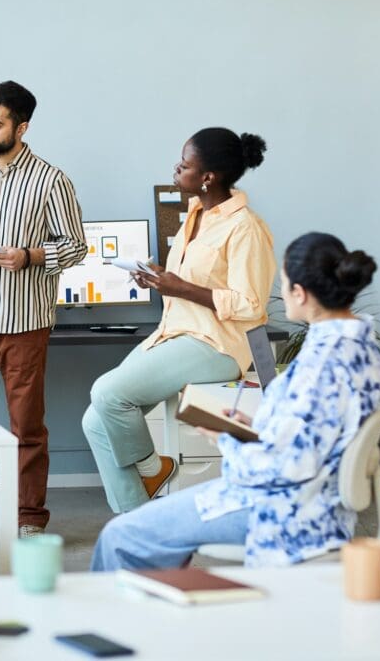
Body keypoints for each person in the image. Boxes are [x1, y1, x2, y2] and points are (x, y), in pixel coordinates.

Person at [91, 233, 380, 569]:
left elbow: (286, 468)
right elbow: (314, 440)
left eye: (283, 280)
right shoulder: (365, 353)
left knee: (120, 536)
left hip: (280, 511)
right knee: (152, 534)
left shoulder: (320, 367)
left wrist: (228, 440)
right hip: (322, 509)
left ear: (300, 293)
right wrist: (255, 429)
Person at [82, 128, 275, 513]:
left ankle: (155, 469)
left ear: (208, 177)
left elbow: (251, 304)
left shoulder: (245, 228)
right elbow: (192, 283)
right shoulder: (196, 216)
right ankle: (135, 519)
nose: (176, 169)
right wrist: (157, 279)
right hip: (176, 333)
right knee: (95, 420)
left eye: (185, 165)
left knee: (108, 393)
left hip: (216, 344)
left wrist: (180, 288)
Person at [0, 81, 87, 537]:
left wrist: (28, 256)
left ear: (21, 127)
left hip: (24, 322)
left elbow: (76, 246)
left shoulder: (51, 180)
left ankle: (28, 519)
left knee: (26, 426)